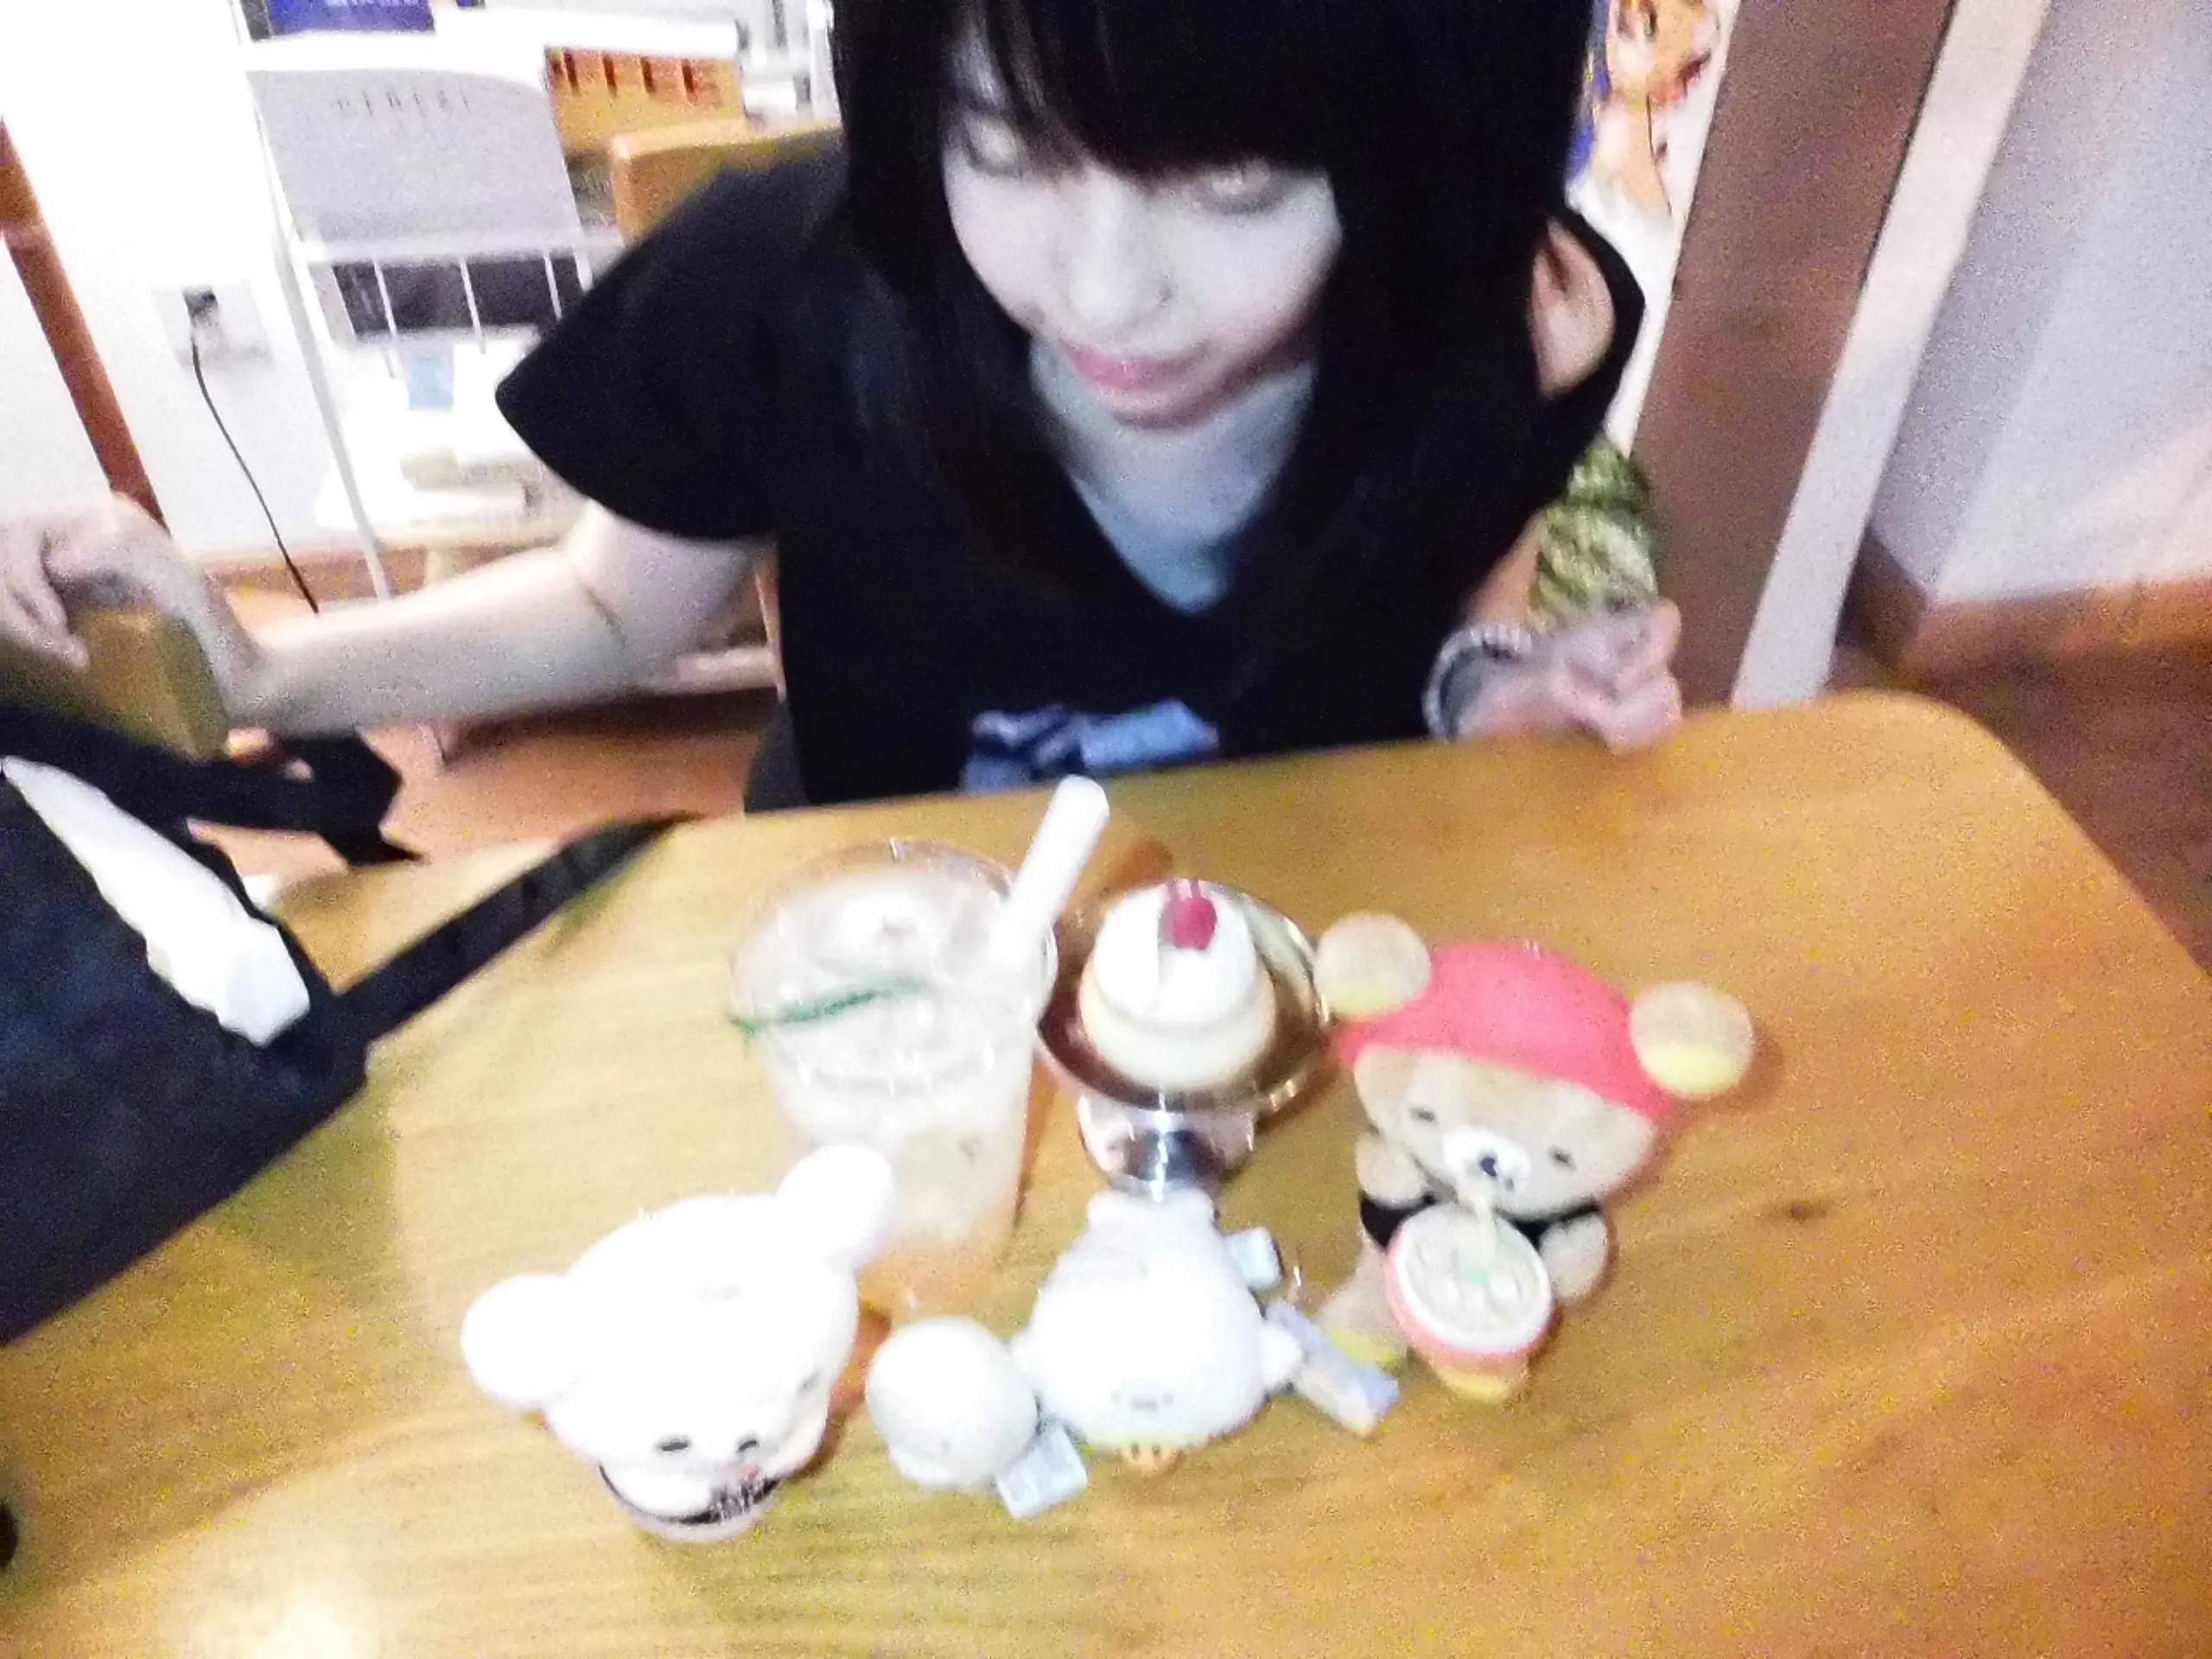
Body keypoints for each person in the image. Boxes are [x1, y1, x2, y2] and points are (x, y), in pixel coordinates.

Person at [0, 0, 1681, 810]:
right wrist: (265, 672)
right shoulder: (794, 289)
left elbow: (1454, 566)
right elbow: (611, 607)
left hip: (1297, 936)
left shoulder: (1513, 325)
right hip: (896, 939)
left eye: (1233, 189)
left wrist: (1488, 683)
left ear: (1419, 166)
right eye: (1005, 148)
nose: (1100, 295)